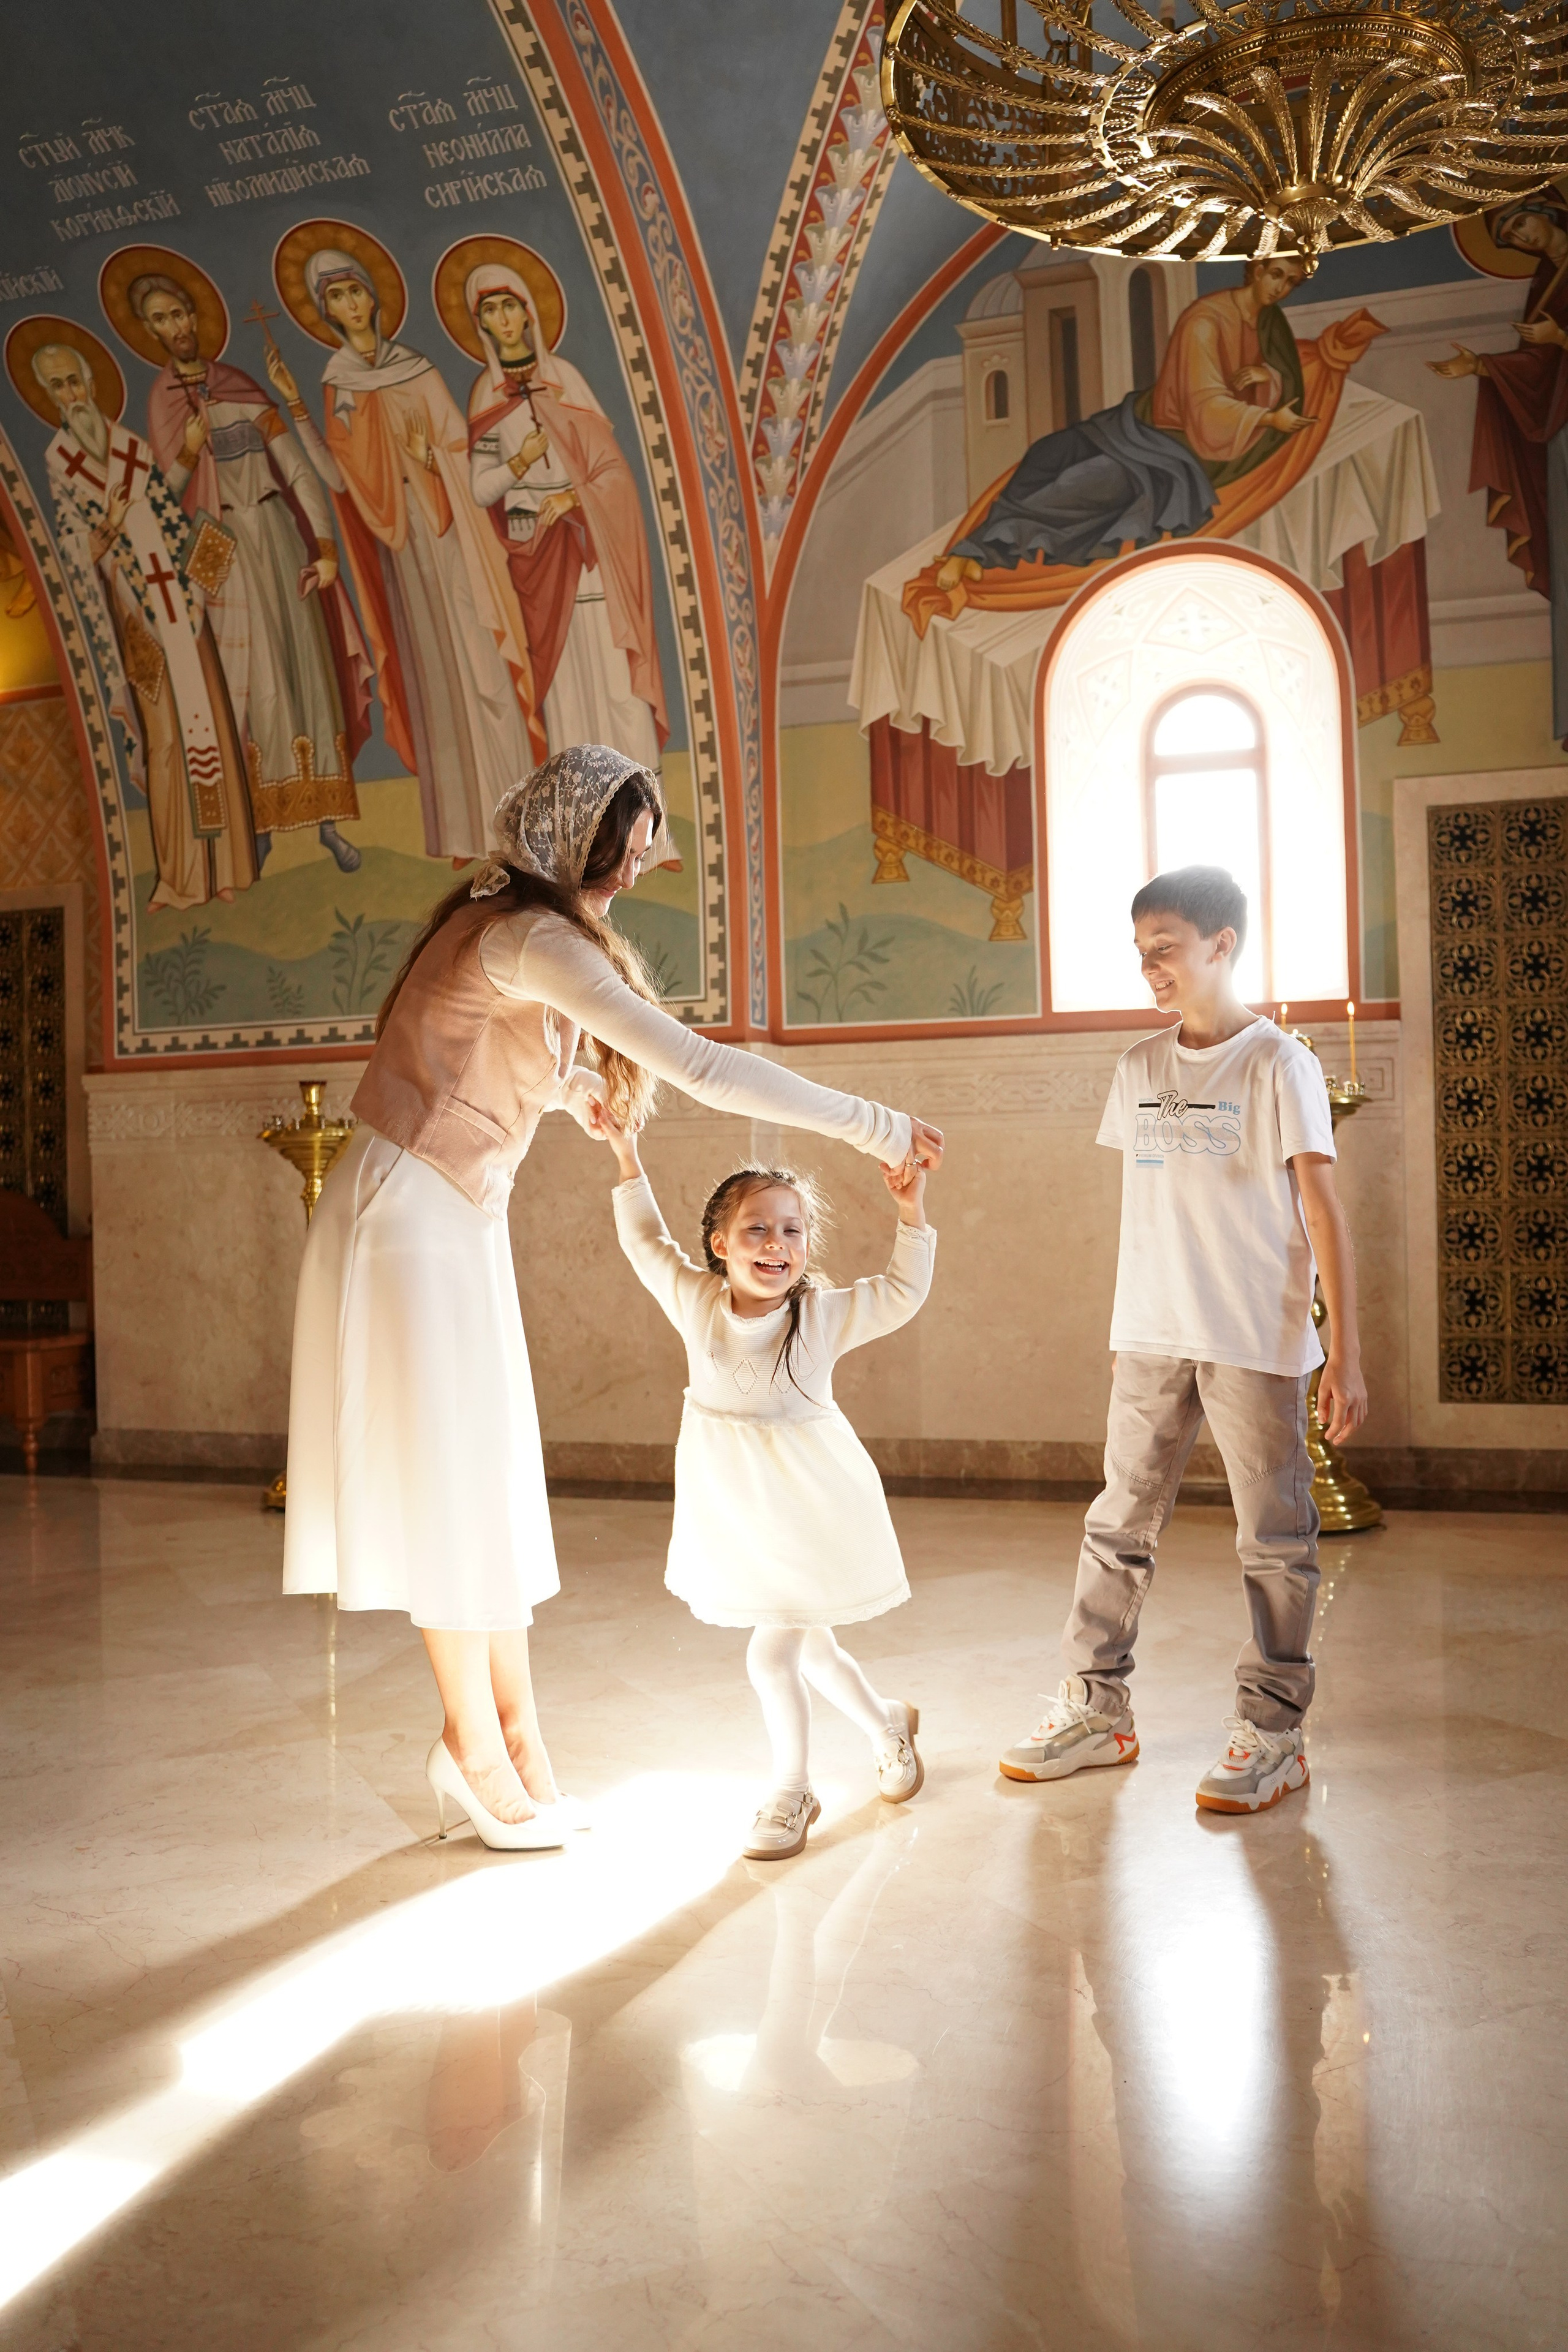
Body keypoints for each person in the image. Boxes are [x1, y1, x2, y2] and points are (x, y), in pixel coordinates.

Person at [281, 742, 944, 1850]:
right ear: (568, 842)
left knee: (487, 1481)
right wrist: (876, 1126)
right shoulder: (528, 933)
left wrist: (577, 1089)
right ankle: (473, 1751)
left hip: (449, 1214)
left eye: (640, 857)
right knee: (454, 1485)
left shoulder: (512, 924)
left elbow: (487, 1047)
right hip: (410, 1218)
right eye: (619, 856)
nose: (632, 876)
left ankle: (517, 1747)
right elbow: (707, 1068)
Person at [1000, 864, 1366, 1814]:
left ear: (1221, 944)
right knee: (1117, 1526)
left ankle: (1275, 1731)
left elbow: (1324, 1213)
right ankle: (1096, 1708)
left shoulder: (1279, 1063)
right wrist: (1130, 1331)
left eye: (1164, 949)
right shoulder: (1139, 1069)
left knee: (1275, 1541)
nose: (1150, 969)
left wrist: (1349, 1353)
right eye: (1141, 954)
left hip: (1255, 1336)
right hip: (1154, 1332)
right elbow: (1155, 1210)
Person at [589, 1124, 936, 1861]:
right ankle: (886, 1726)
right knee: (810, 1649)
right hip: (742, 1518)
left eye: (792, 1230)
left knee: (770, 1657)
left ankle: (791, 1790)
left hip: (812, 1510)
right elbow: (645, 1243)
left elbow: (903, 1292)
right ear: (720, 1243)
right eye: (756, 1229)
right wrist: (626, 1156)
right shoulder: (696, 1303)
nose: (776, 1243)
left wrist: (911, 1211)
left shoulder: (820, 1315)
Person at [266, 248, 540, 859]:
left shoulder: (417, 370)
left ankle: (520, 818)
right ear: (327, 313)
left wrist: (427, 460)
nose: (349, 306)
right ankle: (467, 829)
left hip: (450, 534)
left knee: (482, 662)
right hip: (403, 554)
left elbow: (463, 462)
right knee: (436, 677)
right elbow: (339, 482)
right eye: (335, 299)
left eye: (355, 292)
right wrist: (298, 405)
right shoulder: (339, 385)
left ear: (375, 296)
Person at [130, 270, 372, 872]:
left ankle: (327, 823)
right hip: (220, 548)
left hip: (279, 536)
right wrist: (188, 448)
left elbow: (293, 467)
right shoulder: (161, 403)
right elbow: (163, 499)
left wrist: (324, 546)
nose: (175, 327)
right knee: (249, 682)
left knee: (306, 668)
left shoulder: (238, 384)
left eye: (180, 313)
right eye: (161, 320)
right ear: (150, 332)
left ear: (196, 314)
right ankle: (260, 825)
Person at [36, 339, 257, 913]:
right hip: (137, 619)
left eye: (75, 380)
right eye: (58, 387)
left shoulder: (130, 446)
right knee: (164, 744)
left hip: (180, 604)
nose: (71, 394)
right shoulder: (62, 462)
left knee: (211, 725)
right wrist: (105, 528)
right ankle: (179, 879)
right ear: (51, 399)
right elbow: (68, 552)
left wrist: (186, 454)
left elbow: (162, 501)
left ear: (90, 381)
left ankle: (225, 869)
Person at [464, 265, 668, 775]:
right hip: (534, 556)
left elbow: (613, 474)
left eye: (509, 305)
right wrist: (521, 461)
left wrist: (576, 502)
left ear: (529, 310)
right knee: (564, 684)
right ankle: (577, 831)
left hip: (587, 545)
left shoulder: (567, 381)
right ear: (480, 324)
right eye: (490, 310)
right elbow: (479, 488)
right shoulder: (485, 397)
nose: (503, 318)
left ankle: (645, 817)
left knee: (616, 676)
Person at [1428, 196, 1568, 743]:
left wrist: (1560, 339)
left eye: (1522, 223)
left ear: (1549, 213)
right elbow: (1538, 369)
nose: (1521, 237)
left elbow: (1552, 349)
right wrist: (1482, 366)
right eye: (1509, 235)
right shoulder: (1547, 283)